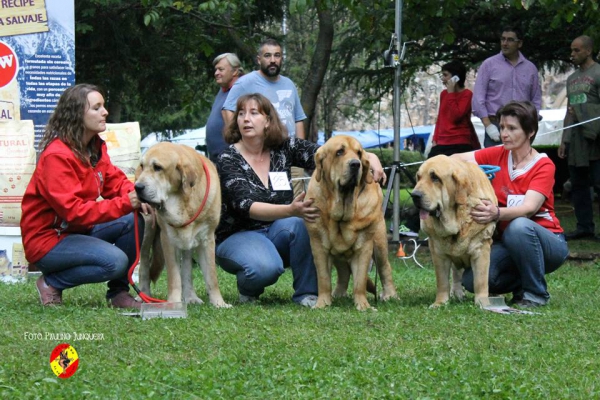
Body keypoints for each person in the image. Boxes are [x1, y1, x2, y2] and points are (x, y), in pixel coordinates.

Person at [215, 93, 385, 306]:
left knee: (302, 223)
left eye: (254, 113)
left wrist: (369, 157)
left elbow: (328, 153)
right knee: (266, 267)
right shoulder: (227, 159)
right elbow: (246, 206)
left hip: (277, 229)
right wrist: (291, 210)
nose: (246, 119)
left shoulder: (284, 148)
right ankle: (248, 288)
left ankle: (307, 294)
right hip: (239, 235)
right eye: (241, 114)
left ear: (268, 121)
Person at [20, 84, 154, 309]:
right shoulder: (56, 156)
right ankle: (51, 282)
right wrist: (124, 203)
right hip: (47, 241)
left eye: (104, 106)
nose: (105, 112)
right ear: (76, 115)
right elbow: (73, 212)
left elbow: (115, 181)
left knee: (133, 219)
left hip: (76, 232)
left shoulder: (93, 147)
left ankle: (118, 294)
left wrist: (135, 195)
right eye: (97, 108)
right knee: (115, 262)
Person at [453, 101, 568, 307]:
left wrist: (495, 213)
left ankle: (536, 295)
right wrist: (464, 171)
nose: (504, 133)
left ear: (530, 132)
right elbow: (454, 159)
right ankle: (522, 285)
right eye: (502, 127)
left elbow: (528, 208)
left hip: (549, 242)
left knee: (519, 225)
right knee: (472, 280)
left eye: (512, 128)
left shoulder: (544, 164)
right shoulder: (497, 153)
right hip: (509, 242)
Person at [222, 38, 307, 195]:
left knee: (297, 204)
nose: (273, 60)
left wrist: (299, 151)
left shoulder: (289, 84)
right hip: (264, 155)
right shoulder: (245, 83)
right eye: (268, 56)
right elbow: (227, 109)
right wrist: (240, 140)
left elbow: (298, 119)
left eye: (277, 55)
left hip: (289, 155)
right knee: (271, 202)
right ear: (259, 59)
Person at [558, 35, 600, 240]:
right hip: (576, 140)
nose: (572, 54)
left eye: (576, 50)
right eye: (571, 50)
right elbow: (569, 110)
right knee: (579, 184)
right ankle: (584, 227)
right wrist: (564, 139)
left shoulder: (598, 73)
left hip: (596, 138)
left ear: (588, 51)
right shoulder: (572, 79)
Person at [472, 27, 542, 148]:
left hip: (522, 125)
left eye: (510, 40)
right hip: (496, 125)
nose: (504, 43)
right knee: (495, 165)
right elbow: (478, 98)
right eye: (503, 39)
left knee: (520, 165)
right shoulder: (489, 65)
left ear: (519, 43)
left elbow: (536, 99)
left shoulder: (530, 68)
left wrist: (532, 122)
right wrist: (488, 126)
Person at [429, 60, 480, 158]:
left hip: (460, 141)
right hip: (442, 142)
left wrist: (451, 93)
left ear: (455, 77)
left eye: (445, 75)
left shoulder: (467, 95)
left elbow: (456, 116)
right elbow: (440, 118)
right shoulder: (444, 94)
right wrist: (435, 139)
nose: (443, 79)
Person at [205, 53, 244, 163]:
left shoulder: (242, 91)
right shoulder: (223, 91)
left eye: (221, 69)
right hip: (217, 158)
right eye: (216, 70)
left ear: (235, 71)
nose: (216, 73)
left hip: (233, 158)